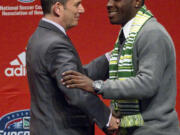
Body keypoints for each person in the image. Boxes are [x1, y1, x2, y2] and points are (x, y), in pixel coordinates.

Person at [61, 0, 180, 135]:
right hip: (133, 129)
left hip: (154, 130)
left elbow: (147, 83)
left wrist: (97, 86)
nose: (109, 4)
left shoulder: (152, 34)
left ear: (137, 2)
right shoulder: (128, 35)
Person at [26, 0, 120, 135]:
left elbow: (76, 76)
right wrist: (107, 118)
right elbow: (74, 88)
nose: (81, 10)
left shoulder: (40, 36)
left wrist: (111, 58)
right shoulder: (55, 43)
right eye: (77, 4)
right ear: (58, 8)